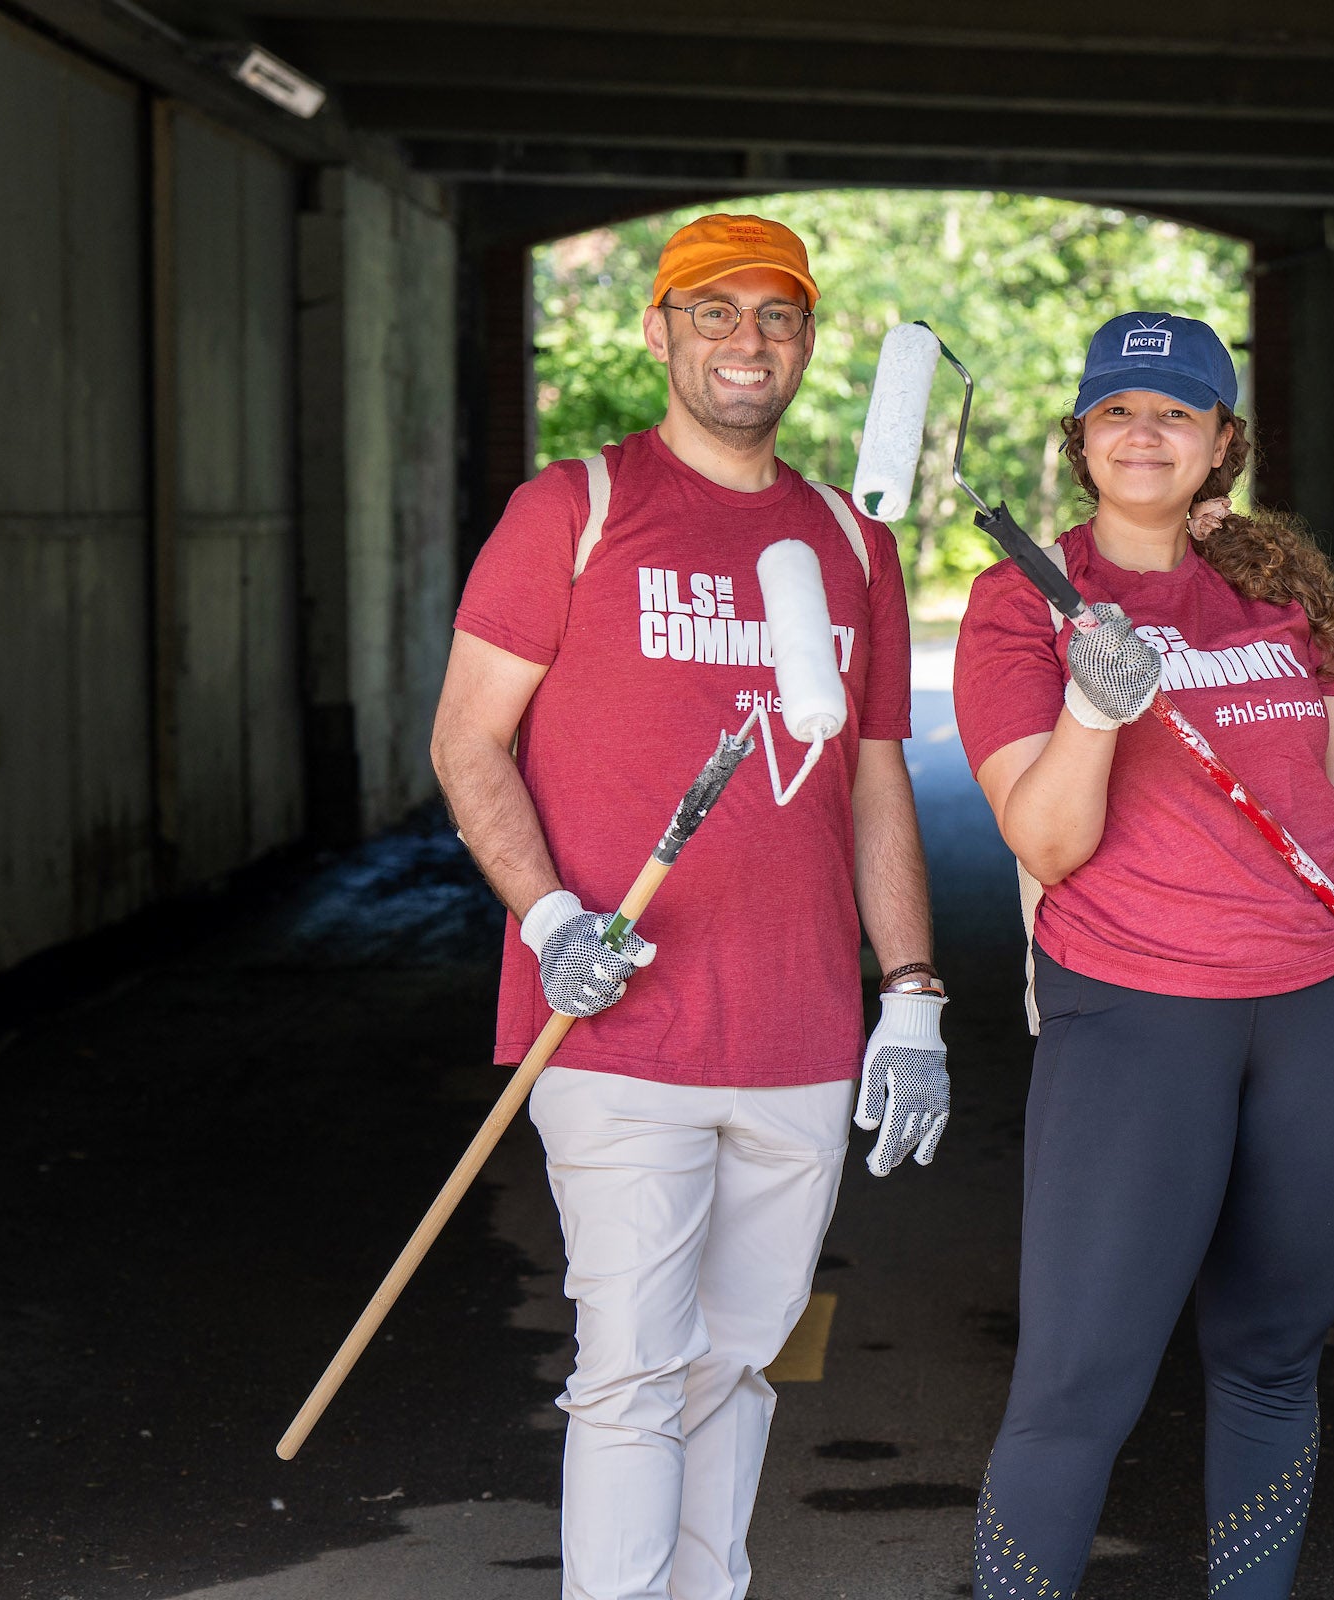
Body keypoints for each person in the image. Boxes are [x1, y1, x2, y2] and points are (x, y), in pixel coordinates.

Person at [951, 312, 1334, 1597]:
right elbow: (1047, 842)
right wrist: (1091, 706)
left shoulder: (1280, 589)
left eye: (1177, 412)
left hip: (1327, 1018)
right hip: (1137, 1016)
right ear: (1080, 438)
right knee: (1079, 1379)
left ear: (1223, 441)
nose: (1145, 432)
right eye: (1117, 409)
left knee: (1274, 1352)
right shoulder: (1024, 603)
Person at [430, 213, 952, 1600]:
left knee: (740, 1359)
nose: (747, 340)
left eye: (776, 315)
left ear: (808, 341)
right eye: (713, 312)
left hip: (797, 1030)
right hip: (615, 1031)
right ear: (658, 332)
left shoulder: (853, 544)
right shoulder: (576, 509)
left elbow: (876, 783)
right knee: (634, 1365)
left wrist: (912, 993)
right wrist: (548, 923)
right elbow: (466, 741)